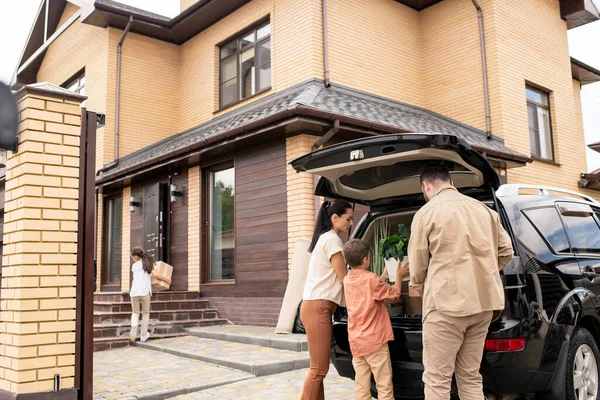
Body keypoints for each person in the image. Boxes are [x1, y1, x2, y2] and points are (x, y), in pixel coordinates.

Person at [408, 164, 513, 400]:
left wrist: (420, 288)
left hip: (446, 306)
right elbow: (506, 252)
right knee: (470, 376)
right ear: (451, 182)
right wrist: (484, 271)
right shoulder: (485, 210)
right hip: (484, 304)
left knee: (437, 380)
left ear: (426, 186)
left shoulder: (426, 213)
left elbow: (416, 266)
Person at [300, 199, 354, 400]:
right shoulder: (331, 239)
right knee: (318, 370)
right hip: (319, 307)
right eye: (348, 219)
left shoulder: (324, 238)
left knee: (319, 370)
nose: (350, 223)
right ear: (334, 218)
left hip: (315, 307)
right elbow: (344, 279)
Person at [343, 239, 409, 400]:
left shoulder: (347, 279)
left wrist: (382, 277)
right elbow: (394, 295)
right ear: (366, 259)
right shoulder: (371, 279)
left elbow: (366, 291)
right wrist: (398, 276)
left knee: (361, 386)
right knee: (384, 385)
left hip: (357, 343)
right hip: (375, 342)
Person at [129, 247, 172, 343]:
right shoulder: (147, 264)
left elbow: (134, 279)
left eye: (132, 257)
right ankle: (143, 335)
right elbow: (156, 275)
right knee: (145, 313)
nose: (132, 259)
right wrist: (166, 279)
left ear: (136, 257)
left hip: (134, 292)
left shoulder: (134, 266)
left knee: (135, 312)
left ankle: (134, 325)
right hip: (145, 291)